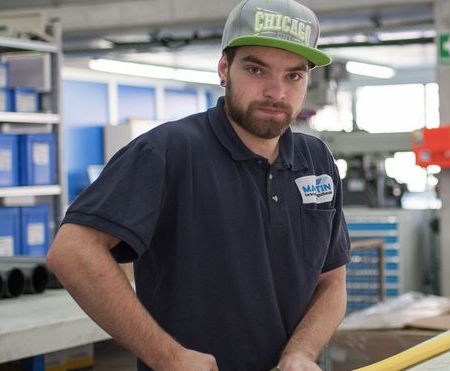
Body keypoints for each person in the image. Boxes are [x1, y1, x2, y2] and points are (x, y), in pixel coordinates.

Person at [46, 0, 347, 369]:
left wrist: (301, 352)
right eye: (256, 69)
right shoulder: (168, 151)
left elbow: (331, 283)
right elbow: (72, 252)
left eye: (293, 76)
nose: (276, 92)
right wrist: (167, 356)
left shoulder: (315, 159)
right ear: (224, 69)